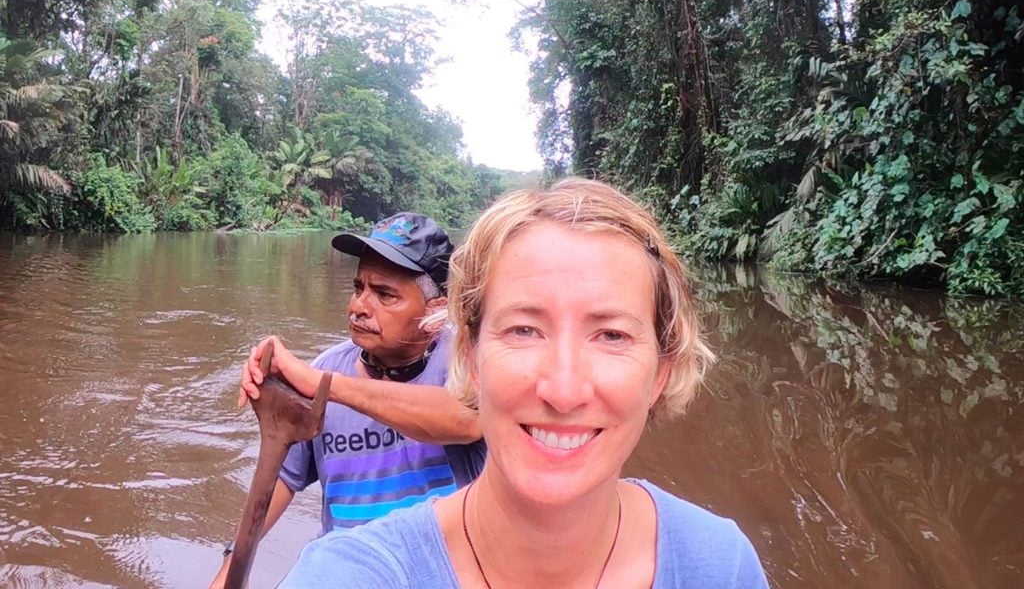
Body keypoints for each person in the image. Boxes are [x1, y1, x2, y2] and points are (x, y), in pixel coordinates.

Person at [277, 178, 770, 588]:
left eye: (612, 334)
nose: (563, 388)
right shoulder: (350, 573)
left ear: (661, 372)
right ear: (470, 354)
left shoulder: (718, 567)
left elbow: (458, 419)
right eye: (523, 330)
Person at [209, 212, 486, 589]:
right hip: (347, 570)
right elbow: (282, 481)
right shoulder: (329, 368)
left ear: (435, 312)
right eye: (359, 288)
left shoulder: (464, 360)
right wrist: (231, 565)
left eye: (384, 294)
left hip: (442, 569)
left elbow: (467, 421)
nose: (359, 306)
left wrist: (326, 386)